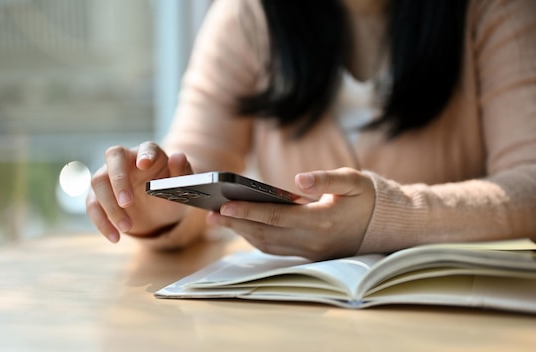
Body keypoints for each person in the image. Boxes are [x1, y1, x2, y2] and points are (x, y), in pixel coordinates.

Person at [86, 0, 536, 261]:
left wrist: (385, 219)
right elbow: (197, 162)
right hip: (296, 327)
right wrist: (156, 201)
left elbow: (529, 184)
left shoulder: (495, 10)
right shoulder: (248, 14)